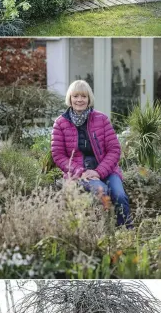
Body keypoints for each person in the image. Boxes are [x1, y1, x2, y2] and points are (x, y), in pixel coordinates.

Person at [51, 79, 132, 228]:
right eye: (76, 96)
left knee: (120, 195)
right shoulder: (60, 123)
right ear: (70, 98)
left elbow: (114, 150)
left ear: (89, 99)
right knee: (102, 191)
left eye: (83, 96)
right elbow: (58, 155)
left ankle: (127, 233)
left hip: (106, 170)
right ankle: (106, 232)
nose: (79, 100)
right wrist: (79, 172)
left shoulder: (101, 119)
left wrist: (98, 171)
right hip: (79, 172)